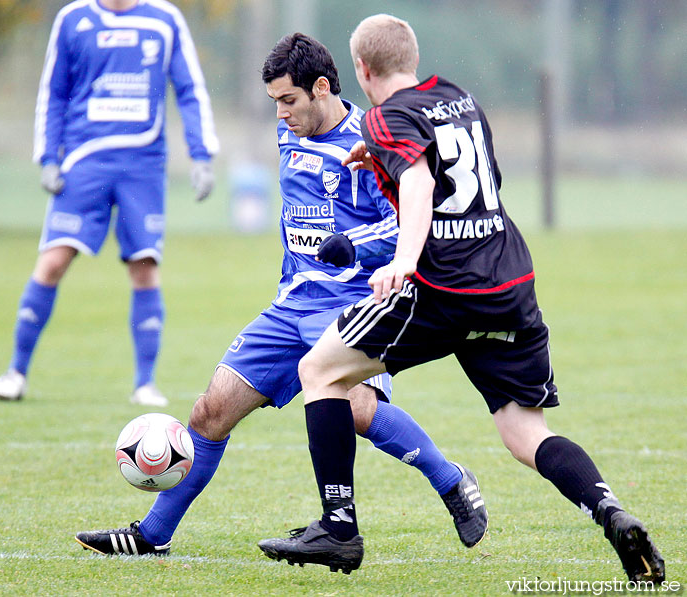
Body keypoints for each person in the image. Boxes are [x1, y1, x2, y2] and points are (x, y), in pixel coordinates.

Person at [258, 14, 666, 583]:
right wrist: (381, 161)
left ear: (361, 69)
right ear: (413, 59)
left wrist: (402, 259)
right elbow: (459, 173)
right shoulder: (459, 99)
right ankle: (610, 511)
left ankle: (338, 528)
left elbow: (421, 182)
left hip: (441, 289)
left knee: (320, 372)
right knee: (525, 432)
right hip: (509, 284)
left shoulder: (381, 118)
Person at [73, 33, 487, 559]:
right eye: (274, 103)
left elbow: (408, 225)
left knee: (358, 408)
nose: (282, 114)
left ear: (321, 88)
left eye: (289, 101)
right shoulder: (288, 133)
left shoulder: (373, 141)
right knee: (209, 412)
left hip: (354, 303)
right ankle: (152, 536)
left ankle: (452, 481)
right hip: (291, 303)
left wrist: (352, 247)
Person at [0, 0, 219, 407]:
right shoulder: (73, 19)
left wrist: (202, 154)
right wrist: (48, 157)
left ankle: (144, 384)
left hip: (143, 166)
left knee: (144, 266)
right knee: (53, 260)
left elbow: (189, 88)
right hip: (83, 162)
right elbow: (53, 91)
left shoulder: (164, 20)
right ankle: (15, 372)